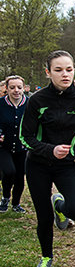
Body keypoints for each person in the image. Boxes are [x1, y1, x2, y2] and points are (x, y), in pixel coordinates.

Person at [20, 50, 75, 267]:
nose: (65, 74)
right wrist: (50, 150)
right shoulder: (37, 100)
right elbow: (25, 136)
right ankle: (46, 257)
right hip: (38, 164)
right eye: (58, 70)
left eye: (69, 69)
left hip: (67, 165)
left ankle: (60, 207)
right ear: (48, 72)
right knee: (43, 216)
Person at [0, 76, 28, 213]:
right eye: (12, 87)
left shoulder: (29, 104)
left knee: (20, 177)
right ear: (7, 88)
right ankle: (5, 198)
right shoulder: (1, 104)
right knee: (9, 171)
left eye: (19, 87)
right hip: (3, 146)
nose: (16, 90)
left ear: (24, 88)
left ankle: (16, 203)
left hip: (22, 147)